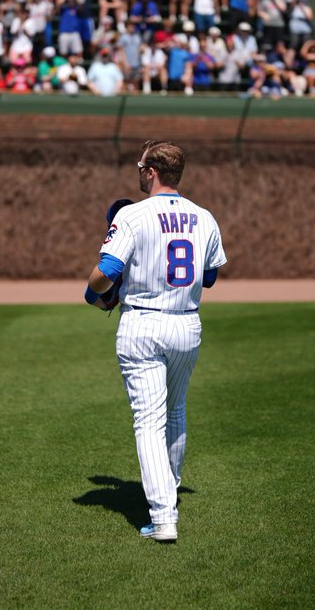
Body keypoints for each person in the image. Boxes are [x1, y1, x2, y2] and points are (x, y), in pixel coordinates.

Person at [84, 140, 227, 543]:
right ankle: (169, 490)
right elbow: (209, 277)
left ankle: (163, 518)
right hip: (186, 325)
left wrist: (93, 293)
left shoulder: (132, 214)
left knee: (148, 420)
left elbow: (106, 272)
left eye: (139, 166)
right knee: (175, 410)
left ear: (150, 172)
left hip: (143, 325)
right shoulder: (204, 217)